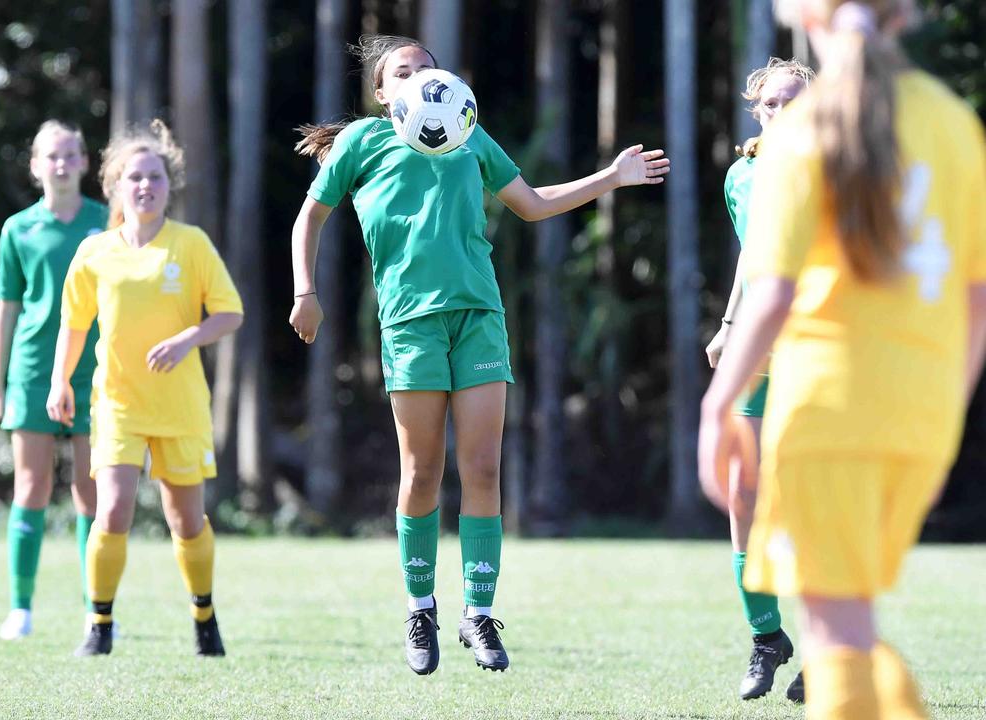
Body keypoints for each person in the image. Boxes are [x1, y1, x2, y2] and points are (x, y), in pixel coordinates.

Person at [290, 34, 669, 675]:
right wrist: (306, 291)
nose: (418, 80)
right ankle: (419, 607)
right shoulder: (361, 142)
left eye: (427, 70)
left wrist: (613, 176)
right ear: (384, 94)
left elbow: (534, 204)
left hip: (479, 318)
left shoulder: (469, 136)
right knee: (422, 471)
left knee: (485, 468)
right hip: (410, 324)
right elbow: (311, 216)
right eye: (402, 73)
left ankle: (480, 614)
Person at [698, 1, 986, 718]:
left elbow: (775, 290)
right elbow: (975, 297)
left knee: (838, 638)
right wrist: (945, 411)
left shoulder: (808, 139)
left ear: (802, 17)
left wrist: (716, 402)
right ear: (907, 15)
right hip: (920, 408)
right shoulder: (954, 123)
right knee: (852, 623)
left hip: (828, 400)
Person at [47, 120, 243, 658]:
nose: (145, 186)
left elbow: (230, 313)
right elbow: (74, 323)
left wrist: (189, 338)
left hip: (179, 406)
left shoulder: (191, 244)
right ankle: (99, 625)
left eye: (154, 176)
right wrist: (59, 380)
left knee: (187, 520)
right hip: (117, 403)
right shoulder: (95, 252)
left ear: (168, 184)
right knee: (112, 512)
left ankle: (204, 615)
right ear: (113, 185)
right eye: (134, 177)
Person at [705, 56, 813, 704]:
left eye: (797, 103)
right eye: (773, 103)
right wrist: (726, 322)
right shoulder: (740, 176)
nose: (784, 113)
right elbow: (752, 250)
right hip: (757, 344)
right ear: (756, 109)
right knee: (743, 491)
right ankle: (765, 637)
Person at [0, 120, 107, 641]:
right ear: (36, 166)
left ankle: (96, 611)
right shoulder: (18, 228)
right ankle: (21, 608)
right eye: (51, 156)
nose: (61, 164)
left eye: (70, 155)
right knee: (31, 486)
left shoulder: (108, 223)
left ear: (85, 162)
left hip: (94, 370)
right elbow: (6, 306)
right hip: (33, 370)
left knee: (90, 491)